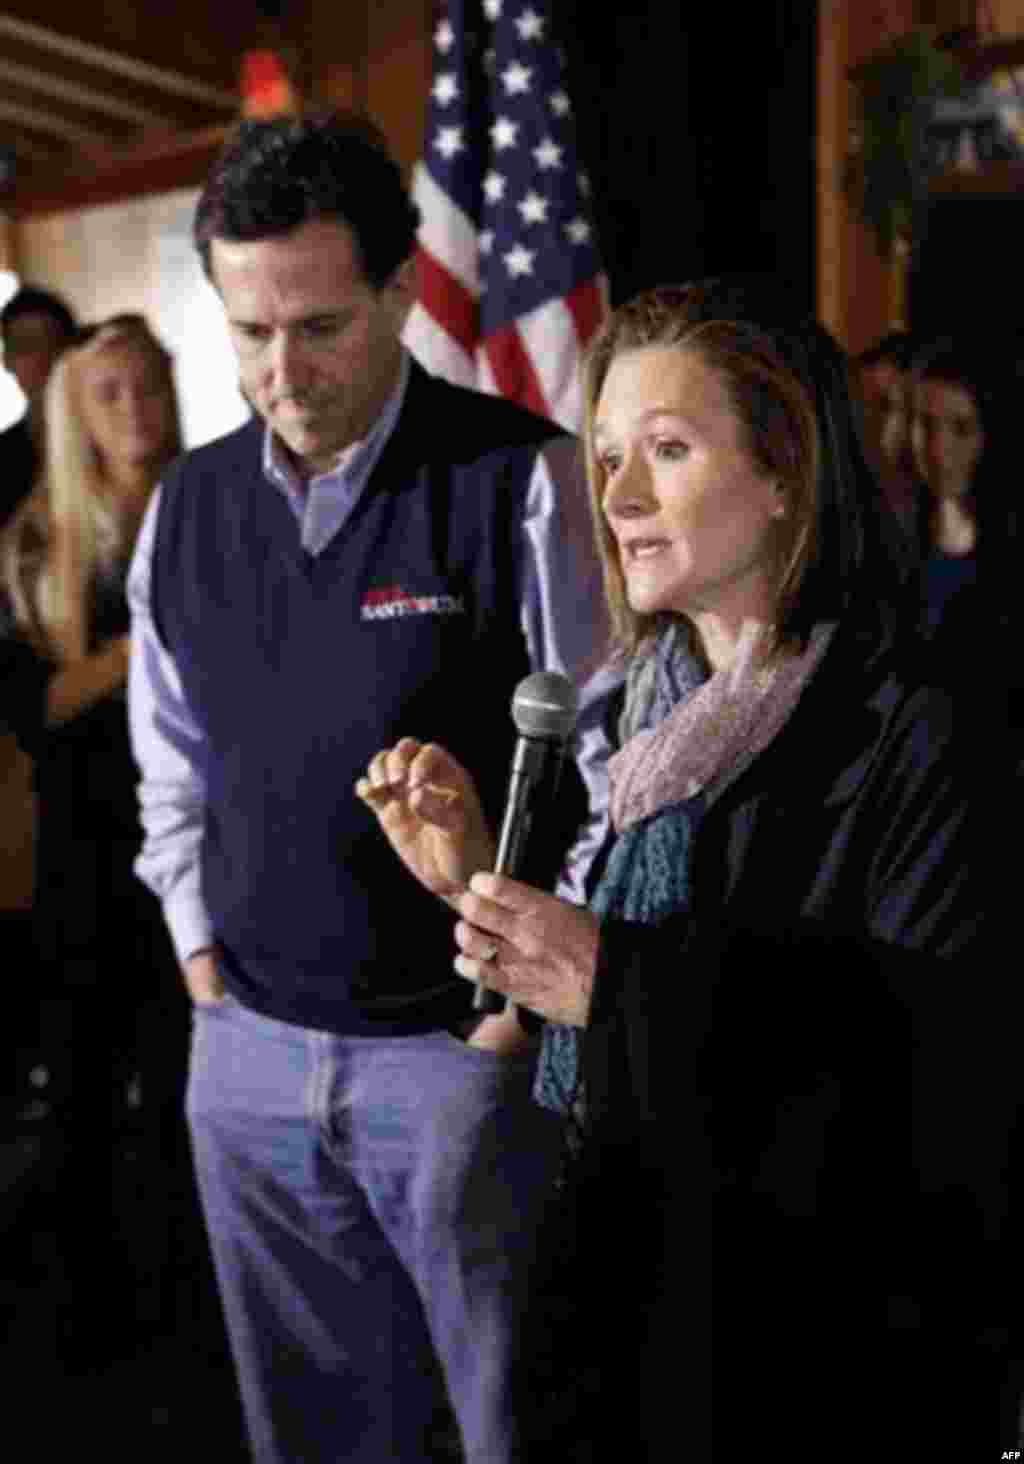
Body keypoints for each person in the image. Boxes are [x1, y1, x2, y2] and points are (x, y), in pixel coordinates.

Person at [359, 279, 1018, 1459]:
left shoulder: (922, 723)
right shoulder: (642, 721)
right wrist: (480, 890)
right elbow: (574, 1018)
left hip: (811, 1365)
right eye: (606, 454)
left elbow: (935, 1075)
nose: (613, 497)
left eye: (665, 449)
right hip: (625, 1323)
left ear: (783, 476)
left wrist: (615, 984)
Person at [126, 111, 616, 1464]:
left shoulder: (521, 475)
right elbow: (169, 763)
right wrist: (200, 966)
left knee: (505, 1425)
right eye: (248, 332)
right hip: (244, 1056)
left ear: (402, 295)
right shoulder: (187, 508)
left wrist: (509, 1018)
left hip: (455, 1069)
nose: (281, 371)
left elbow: (617, 771)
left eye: (321, 327)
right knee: (310, 1438)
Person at [0, 315, 196, 1366]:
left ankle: (181, 1303)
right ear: (77, 408)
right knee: (78, 1084)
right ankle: (83, 1316)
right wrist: (150, 645)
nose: (137, 411)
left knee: (180, 1085)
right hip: (84, 852)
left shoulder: (216, 500)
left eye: (149, 387)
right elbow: (36, 704)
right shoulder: (39, 540)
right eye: (110, 393)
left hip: (200, 845)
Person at [0, 286, 77, 530]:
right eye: (25, 346)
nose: (42, 358)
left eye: (52, 342)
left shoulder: (115, 441)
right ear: (7, 361)